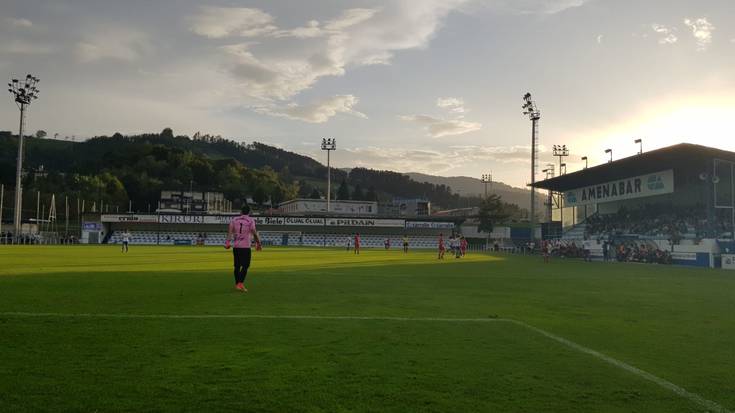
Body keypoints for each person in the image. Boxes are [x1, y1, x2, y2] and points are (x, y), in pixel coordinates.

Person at [225, 204, 262, 293]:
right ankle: (240, 283)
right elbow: (253, 231)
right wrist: (258, 243)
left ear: (241, 211)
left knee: (237, 266)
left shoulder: (234, 220)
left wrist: (227, 242)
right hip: (245, 247)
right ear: (249, 212)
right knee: (245, 266)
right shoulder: (250, 220)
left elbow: (230, 232)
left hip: (236, 246)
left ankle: (237, 284)